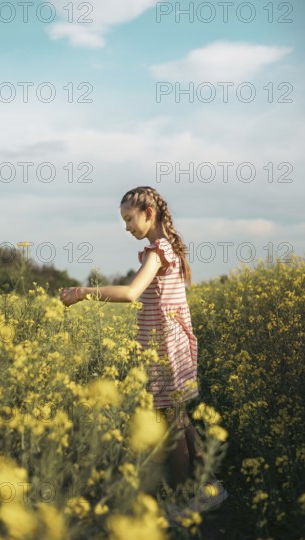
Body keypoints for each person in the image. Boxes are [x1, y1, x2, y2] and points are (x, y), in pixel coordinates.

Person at [60, 186, 227, 510]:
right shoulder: (168, 247)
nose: (126, 227)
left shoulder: (158, 250)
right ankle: (211, 488)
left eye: (128, 218)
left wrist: (83, 292)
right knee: (181, 418)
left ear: (148, 213)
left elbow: (131, 293)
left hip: (165, 348)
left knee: (171, 425)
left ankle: (184, 501)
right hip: (172, 344)